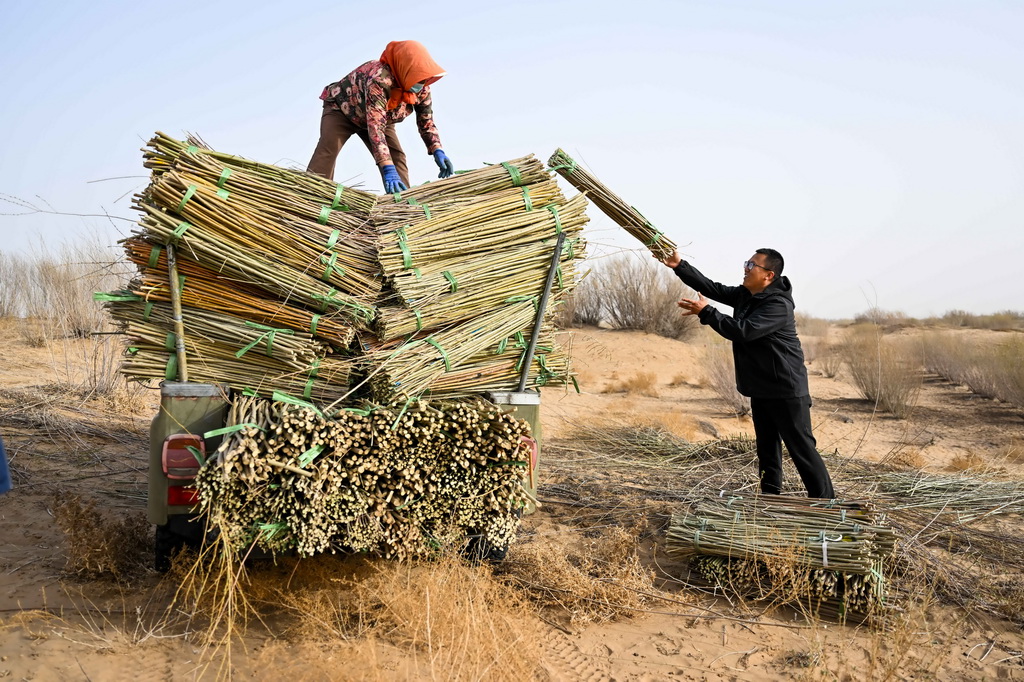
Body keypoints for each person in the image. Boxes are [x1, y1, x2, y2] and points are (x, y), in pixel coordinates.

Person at [659, 248, 835, 499]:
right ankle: (770, 499)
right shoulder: (747, 294)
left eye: (752, 265)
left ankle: (827, 505)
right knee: (767, 450)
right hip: (761, 388)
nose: (746, 268)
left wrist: (707, 313)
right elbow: (713, 288)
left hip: (786, 390)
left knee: (802, 450)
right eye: (747, 263)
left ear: (768, 275)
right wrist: (679, 266)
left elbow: (744, 331)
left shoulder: (777, 305)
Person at [306, 40, 455, 193]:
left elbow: (426, 121)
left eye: (423, 78)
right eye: (417, 76)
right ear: (405, 68)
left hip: (380, 118)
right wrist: (387, 169)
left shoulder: (421, 89)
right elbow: (375, 128)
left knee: (397, 157)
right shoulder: (380, 79)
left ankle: (402, 202)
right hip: (343, 110)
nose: (421, 83)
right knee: (328, 150)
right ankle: (312, 196)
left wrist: (437, 149)